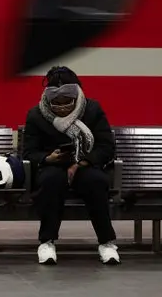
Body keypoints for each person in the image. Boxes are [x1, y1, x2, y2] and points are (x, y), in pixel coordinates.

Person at [23, 66, 119, 265]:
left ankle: (106, 242)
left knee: (96, 182)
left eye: (67, 102)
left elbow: (106, 147)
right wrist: (48, 158)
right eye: (56, 103)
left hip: (85, 163)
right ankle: (46, 242)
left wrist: (82, 162)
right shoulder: (36, 115)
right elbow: (29, 152)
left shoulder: (92, 110)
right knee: (51, 181)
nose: (62, 107)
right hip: (52, 165)